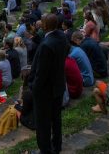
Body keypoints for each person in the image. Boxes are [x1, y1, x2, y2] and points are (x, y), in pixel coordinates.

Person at [28, 13, 69, 154]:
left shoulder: (46, 45)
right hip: (58, 84)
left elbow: (41, 73)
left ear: (45, 25)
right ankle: (56, 146)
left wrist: (34, 88)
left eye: (42, 21)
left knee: (43, 123)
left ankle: (45, 150)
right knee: (56, 119)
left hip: (45, 91)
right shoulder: (62, 36)